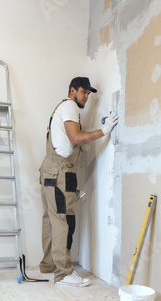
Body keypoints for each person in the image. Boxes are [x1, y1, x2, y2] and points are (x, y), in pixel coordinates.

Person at [39, 77, 118, 287]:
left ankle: (49, 266)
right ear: (72, 90)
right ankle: (63, 274)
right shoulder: (70, 106)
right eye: (83, 92)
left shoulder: (61, 108)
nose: (86, 97)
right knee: (63, 221)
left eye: (89, 94)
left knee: (51, 219)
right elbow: (75, 138)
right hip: (60, 172)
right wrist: (104, 131)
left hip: (50, 170)